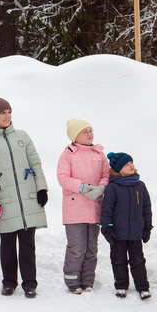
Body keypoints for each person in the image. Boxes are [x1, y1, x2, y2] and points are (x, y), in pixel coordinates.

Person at [0, 97, 48, 298]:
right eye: (2, 113)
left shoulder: (22, 136)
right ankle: (9, 282)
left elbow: (35, 163)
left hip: (27, 197)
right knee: (7, 243)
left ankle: (30, 283)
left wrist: (42, 188)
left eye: (9, 112)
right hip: (3, 199)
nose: (7, 116)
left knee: (27, 242)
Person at [56, 119, 109, 294]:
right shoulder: (68, 154)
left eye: (90, 130)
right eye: (84, 131)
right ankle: (72, 281)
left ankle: (87, 281)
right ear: (75, 135)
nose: (89, 134)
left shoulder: (99, 153)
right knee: (77, 247)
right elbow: (63, 177)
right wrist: (82, 187)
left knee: (91, 248)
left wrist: (101, 187)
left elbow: (106, 174)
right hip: (75, 210)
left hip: (95, 208)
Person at [100, 152, 152, 300]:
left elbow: (146, 208)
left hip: (136, 233)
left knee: (138, 261)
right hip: (118, 234)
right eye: (126, 164)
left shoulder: (140, 186)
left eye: (131, 163)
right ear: (118, 169)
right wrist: (106, 227)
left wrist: (147, 226)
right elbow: (106, 209)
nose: (131, 166)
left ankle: (143, 287)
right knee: (118, 261)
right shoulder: (113, 187)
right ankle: (121, 286)